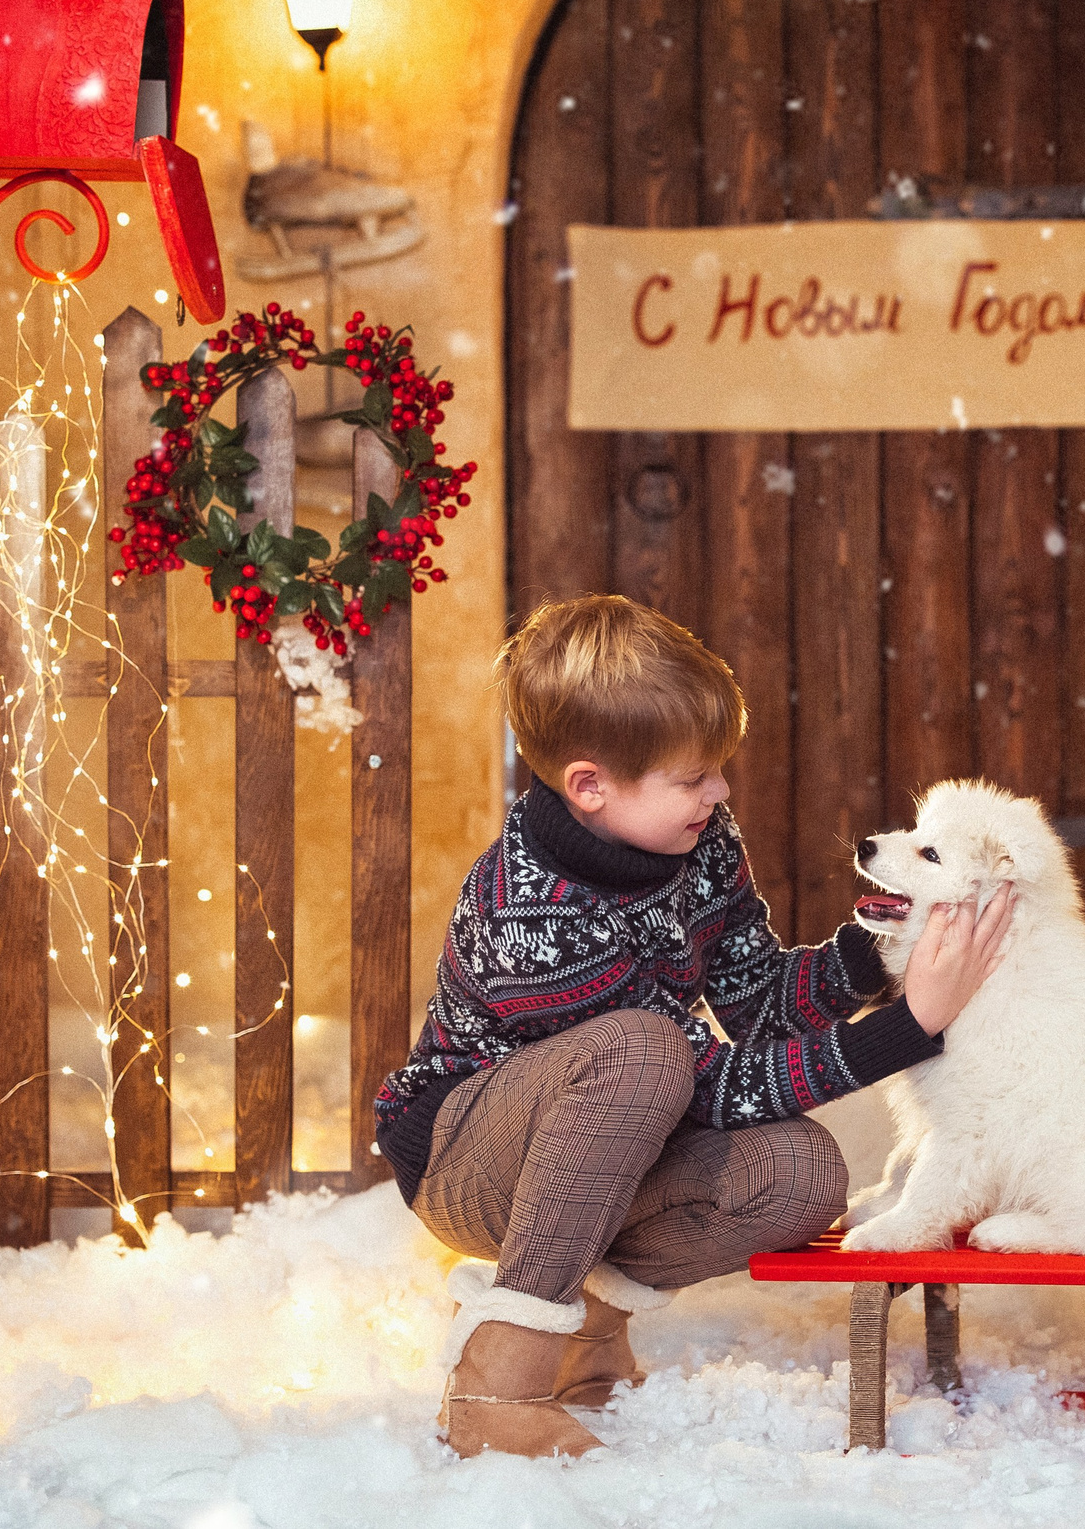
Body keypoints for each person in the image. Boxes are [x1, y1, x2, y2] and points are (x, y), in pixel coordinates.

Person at [375, 594, 1014, 1459]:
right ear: (590, 786)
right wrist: (912, 1024)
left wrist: (883, 954)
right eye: (692, 778)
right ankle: (497, 1381)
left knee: (803, 1174)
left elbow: (758, 1006)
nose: (719, 791)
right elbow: (705, 1085)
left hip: (618, 1128)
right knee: (643, 1049)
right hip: (467, 1155)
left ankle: (588, 1337)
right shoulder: (530, 912)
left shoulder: (698, 838)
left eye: (716, 769)